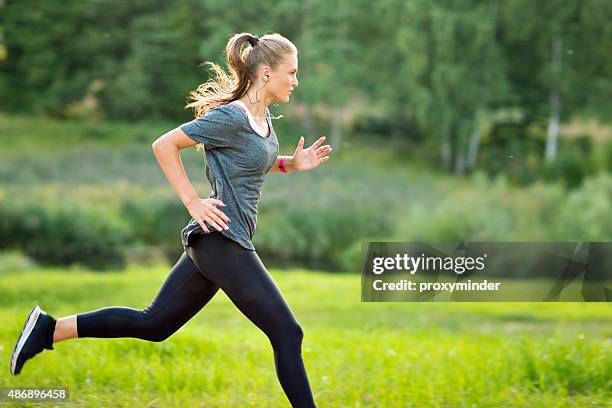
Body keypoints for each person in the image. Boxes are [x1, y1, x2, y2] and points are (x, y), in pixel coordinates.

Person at [10, 32, 332, 408]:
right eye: (291, 72)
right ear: (265, 73)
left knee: (154, 325)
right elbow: (164, 145)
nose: (295, 81)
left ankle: (49, 329)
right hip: (222, 240)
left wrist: (291, 164)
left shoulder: (261, 119)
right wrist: (193, 202)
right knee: (288, 334)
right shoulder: (231, 116)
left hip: (218, 241)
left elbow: (246, 165)